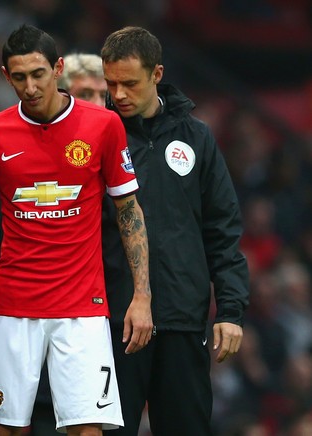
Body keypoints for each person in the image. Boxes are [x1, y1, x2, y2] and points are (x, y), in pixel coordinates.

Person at [0, 24, 153, 436]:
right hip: (11, 305)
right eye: (20, 77)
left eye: (39, 74)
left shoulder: (103, 126)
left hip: (82, 307)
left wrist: (142, 296)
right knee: (3, 429)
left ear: (58, 69)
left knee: (86, 428)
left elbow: (129, 212)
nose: (30, 86)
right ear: (6, 76)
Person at [99, 26, 250, 435]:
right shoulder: (95, 136)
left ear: (157, 74)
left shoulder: (196, 138)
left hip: (182, 318)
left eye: (130, 83)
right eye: (111, 83)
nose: (119, 94)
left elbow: (222, 228)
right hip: (113, 320)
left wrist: (231, 310)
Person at [31, 52, 111, 436]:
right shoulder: (30, 141)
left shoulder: (114, 145)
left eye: (102, 95)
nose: (95, 104)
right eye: (86, 94)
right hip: (34, 304)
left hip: (95, 309)